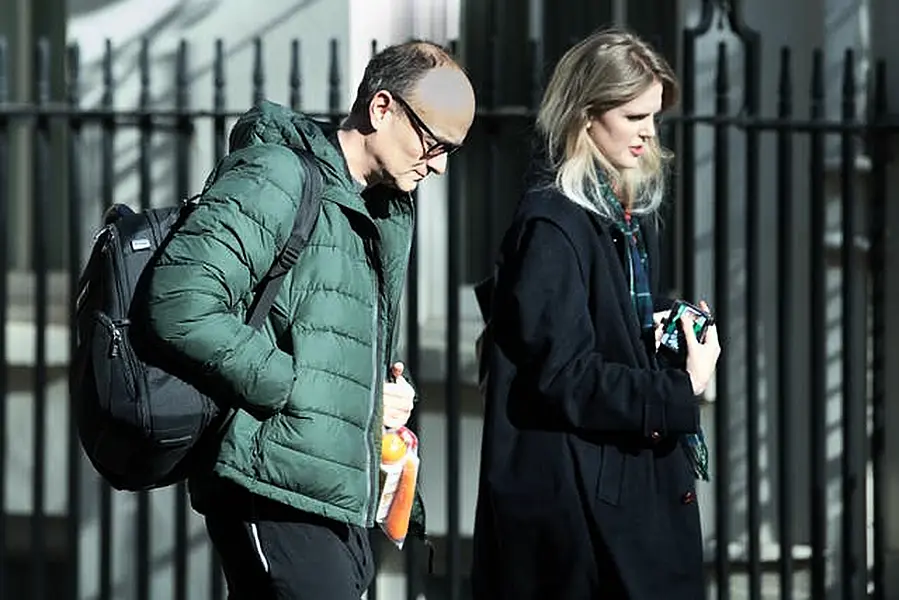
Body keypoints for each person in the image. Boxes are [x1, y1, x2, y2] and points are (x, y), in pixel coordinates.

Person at [136, 41, 476, 599]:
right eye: (433, 142)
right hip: (269, 482)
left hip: (336, 492)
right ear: (382, 107)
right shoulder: (276, 174)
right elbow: (180, 303)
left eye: (450, 152)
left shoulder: (382, 206)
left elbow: (330, 337)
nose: (438, 164)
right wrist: (295, 387)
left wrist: (379, 393)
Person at [470, 28, 721, 600]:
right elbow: (566, 375)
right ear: (586, 115)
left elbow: (609, 331)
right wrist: (684, 387)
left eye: (653, 116)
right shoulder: (553, 225)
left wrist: (669, 328)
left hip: (616, 495)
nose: (649, 132)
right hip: (581, 517)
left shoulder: (618, 213)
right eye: (634, 116)